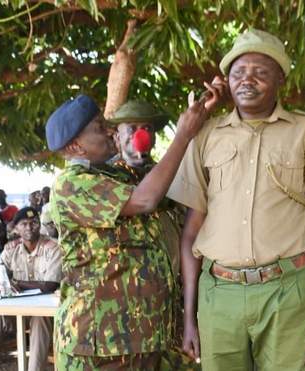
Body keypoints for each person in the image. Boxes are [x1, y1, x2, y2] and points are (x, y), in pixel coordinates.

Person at [167, 29, 305, 370]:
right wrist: (190, 316)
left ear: (280, 79)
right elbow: (191, 235)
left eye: (260, 72)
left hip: (286, 293)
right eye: (238, 73)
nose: (247, 80)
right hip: (218, 295)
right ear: (226, 81)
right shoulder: (205, 136)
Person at [48, 93, 210, 369]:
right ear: (76, 146)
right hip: (100, 346)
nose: (109, 132)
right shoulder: (70, 184)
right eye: (99, 128)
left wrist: (204, 108)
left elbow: (167, 181)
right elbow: (145, 200)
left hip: (149, 336)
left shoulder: (118, 176)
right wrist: (182, 135)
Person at [108, 100, 192, 369]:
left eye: (146, 128)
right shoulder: (105, 179)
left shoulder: (171, 176)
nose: (139, 135)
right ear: (116, 136)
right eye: (131, 128)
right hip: (124, 325)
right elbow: (143, 201)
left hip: (171, 317)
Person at [0, 207, 62, 371]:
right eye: (24, 224)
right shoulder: (11, 249)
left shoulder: (52, 247)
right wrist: (1, 286)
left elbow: (50, 285)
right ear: (16, 228)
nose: (29, 227)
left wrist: (16, 283)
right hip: (19, 310)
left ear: (39, 224)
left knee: (40, 320)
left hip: (48, 311)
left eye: (34, 223)